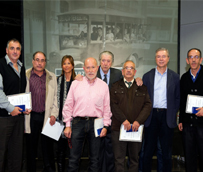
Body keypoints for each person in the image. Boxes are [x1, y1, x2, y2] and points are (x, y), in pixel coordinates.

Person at [62, 57, 112, 172]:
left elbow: (106, 108)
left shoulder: (103, 86)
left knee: (95, 159)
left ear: (97, 68)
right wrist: (68, 125)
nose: (90, 70)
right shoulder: (75, 84)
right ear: (84, 69)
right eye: (88, 67)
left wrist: (105, 126)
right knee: (74, 158)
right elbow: (68, 105)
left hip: (97, 124)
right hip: (77, 123)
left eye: (93, 67)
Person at [97, 51, 143, 172]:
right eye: (103, 60)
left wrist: (138, 78)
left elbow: (129, 79)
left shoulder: (118, 73)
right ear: (99, 61)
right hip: (96, 117)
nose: (106, 63)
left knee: (113, 151)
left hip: (114, 118)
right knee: (97, 150)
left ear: (111, 62)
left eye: (108, 61)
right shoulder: (92, 73)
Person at [142, 48, 180, 172]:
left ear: (168, 58)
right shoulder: (147, 76)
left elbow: (177, 97)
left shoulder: (174, 77)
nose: (161, 59)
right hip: (151, 116)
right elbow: (143, 97)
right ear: (155, 58)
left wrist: (173, 113)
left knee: (166, 153)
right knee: (147, 151)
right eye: (159, 56)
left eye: (164, 56)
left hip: (167, 117)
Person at [110, 60, 151, 172]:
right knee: (119, 159)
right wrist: (124, 120)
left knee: (134, 159)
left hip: (135, 129)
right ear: (122, 71)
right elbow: (113, 105)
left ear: (135, 71)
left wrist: (138, 121)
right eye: (126, 68)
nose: (128, 70)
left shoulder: (142, 88)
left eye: (131, 68)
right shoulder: (115, 86)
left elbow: (147, 106)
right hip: (119, 128)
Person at [25, 51, 59, 172]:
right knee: (31, 148)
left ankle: (49, 169)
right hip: (31, 117)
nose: (39, 63)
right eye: (37, 60)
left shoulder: (51, 77)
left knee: (48, 148)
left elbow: (56, 98)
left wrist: (54, 114)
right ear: (33, 61)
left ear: (45, 62)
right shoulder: (26, 75)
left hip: (47, 117)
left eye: (42, 60)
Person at [0, 39, 30, 171]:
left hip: (18, 117)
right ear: (7, 50)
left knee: (16, 154)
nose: (15, 51)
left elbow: (21, 91)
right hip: (3, 118)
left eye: (18, 49)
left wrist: (24, 107)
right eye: (12, 48)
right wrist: (11, 109)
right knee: (1, 153)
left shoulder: (21, 66)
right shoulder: (0, 65)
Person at [178, 48, 203, 172]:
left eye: (196, 57)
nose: (193, 59)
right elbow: (182, 101)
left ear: (201, 59)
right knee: (189, 158)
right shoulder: (184, 77)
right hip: (188, 124)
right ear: (187, 60)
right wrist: (181, 120)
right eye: (191, 57)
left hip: (202, 125)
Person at [56, 55, 76, 172]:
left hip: (75, 121)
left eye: (69, 63)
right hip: (60, 120)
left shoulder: (78, 82)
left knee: (73, 150)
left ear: (72, 66)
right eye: (64, 63)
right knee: (61, 149)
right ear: (62, 66)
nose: (66, 66)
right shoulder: (58, 80)